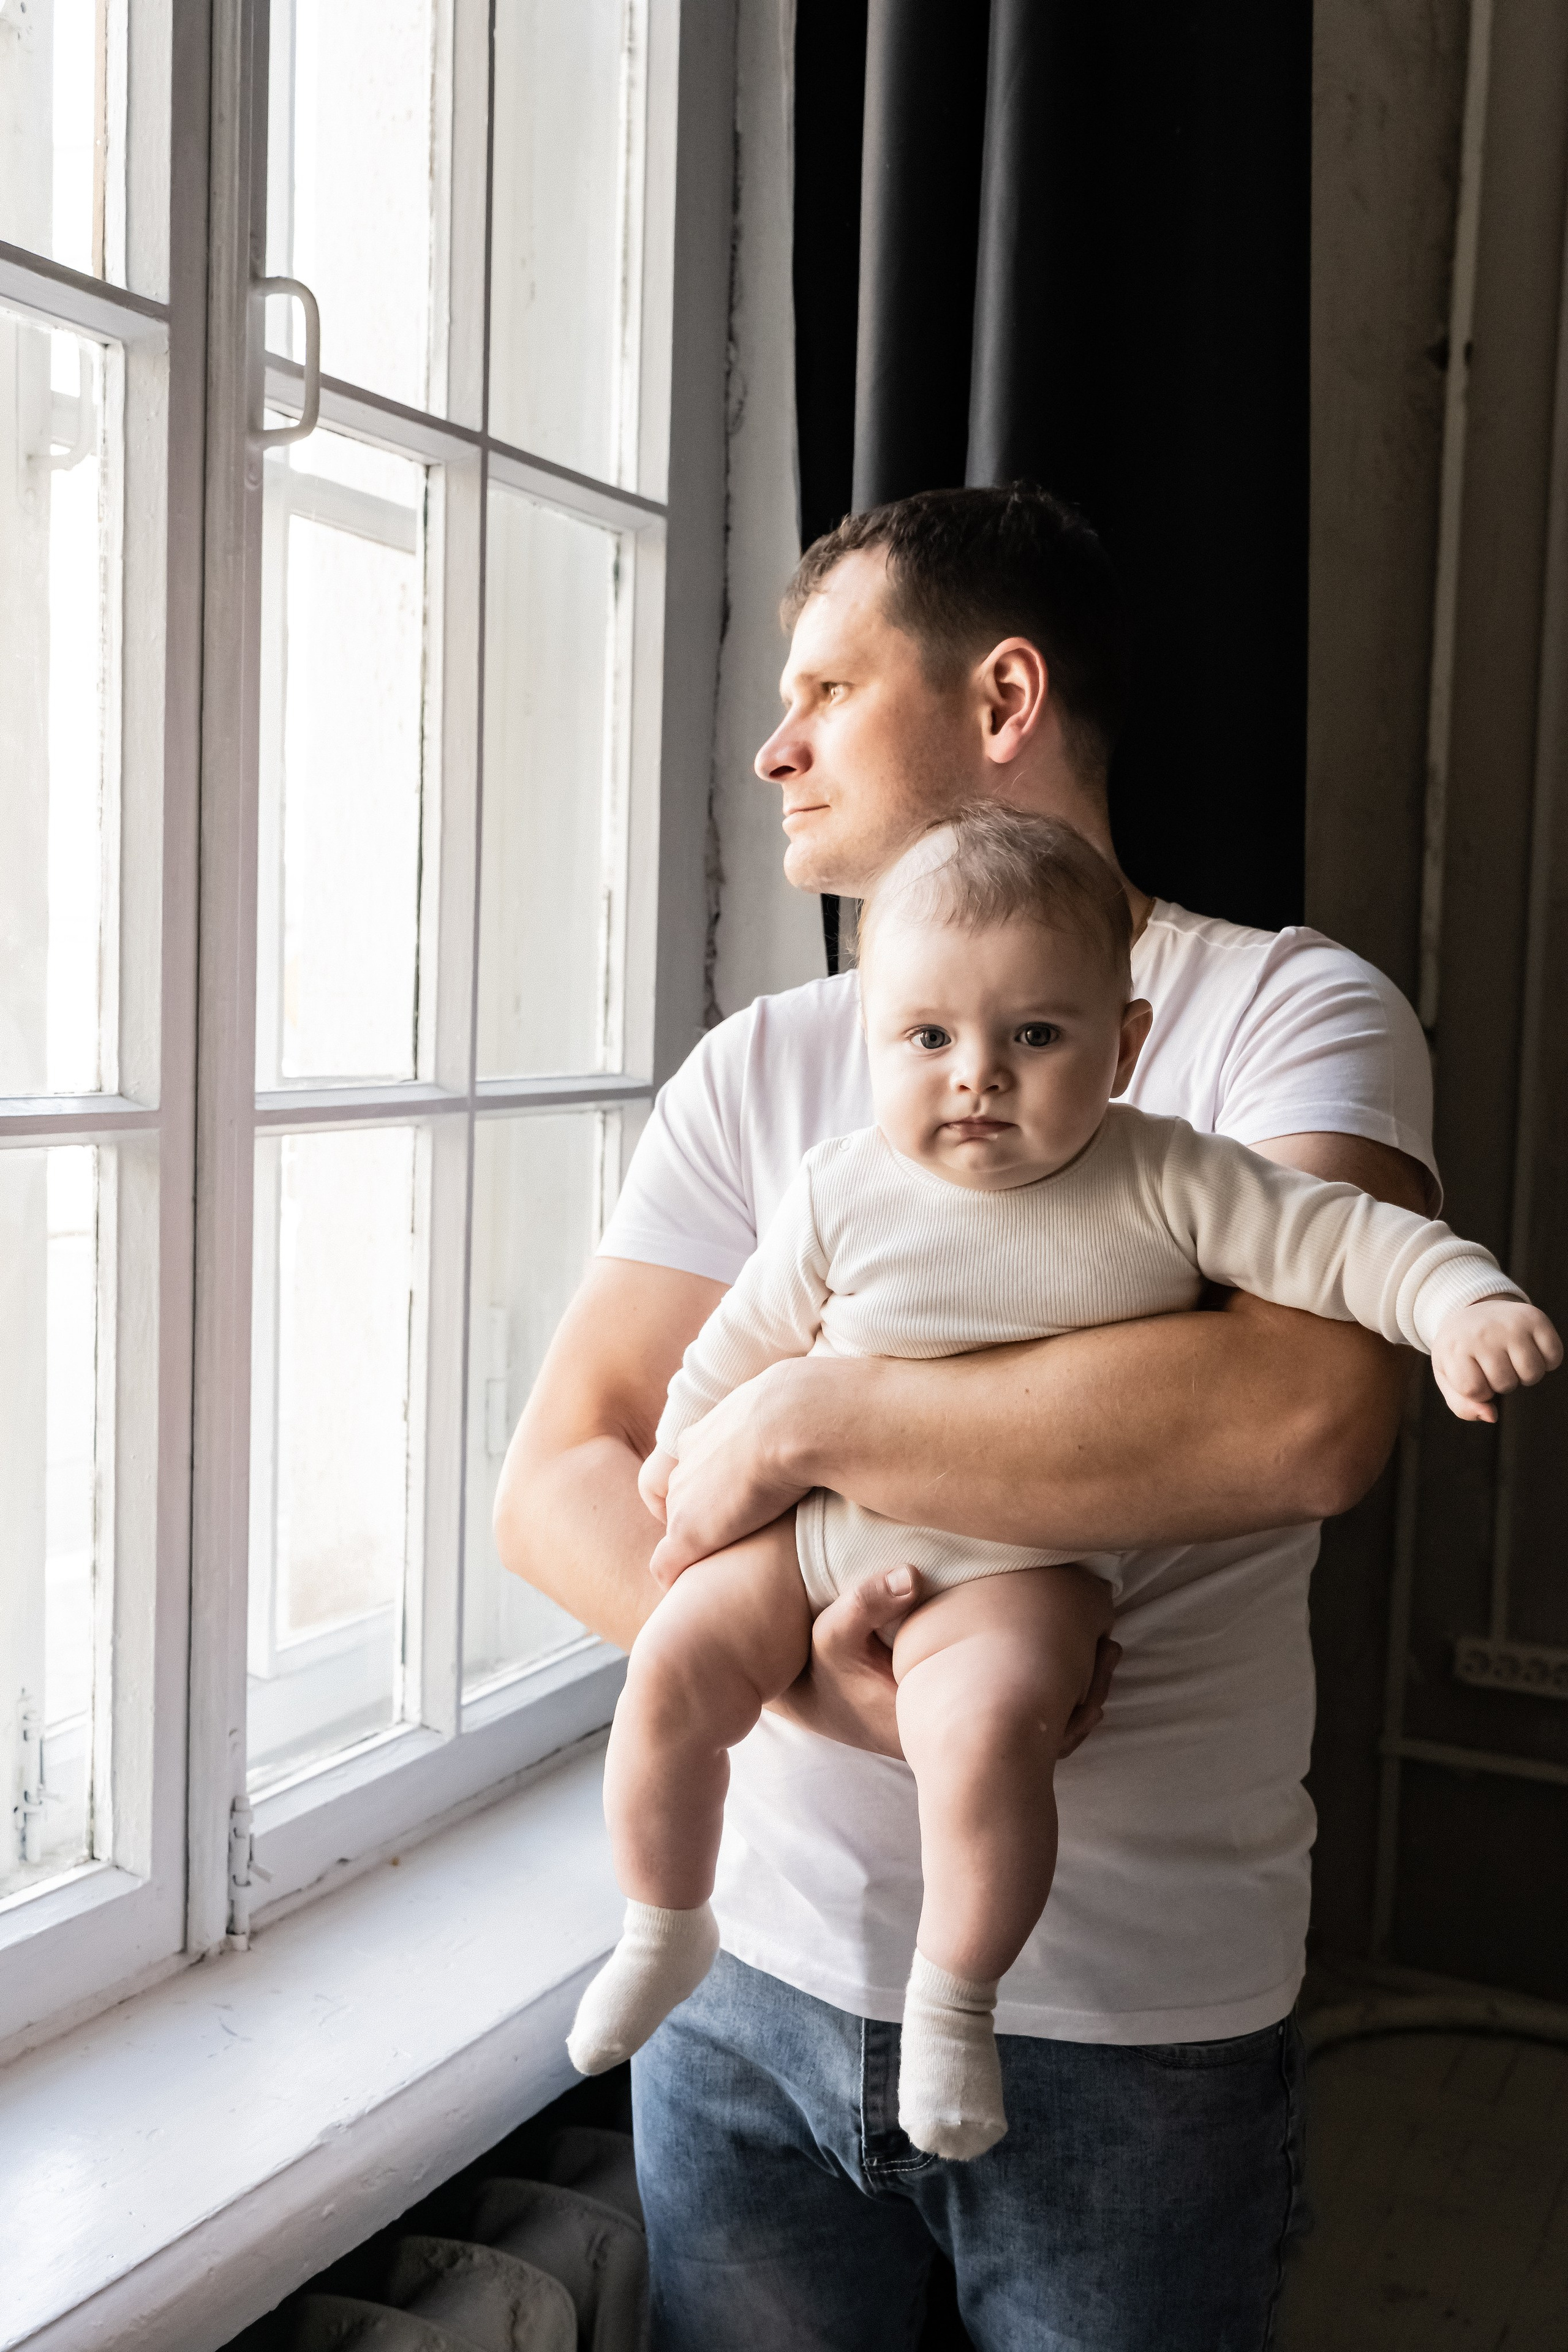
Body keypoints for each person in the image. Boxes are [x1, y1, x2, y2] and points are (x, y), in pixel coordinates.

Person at [495, 485, 1472, 2346]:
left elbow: (1305, 1412)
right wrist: (811, 1686)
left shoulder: (1285, 1015)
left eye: (827, 692)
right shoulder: (770, 1063)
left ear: (1003, 695)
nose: (774, 749)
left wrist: (804, 1422)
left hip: (1132, 2033)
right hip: (745, 2003)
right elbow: (559, 1481)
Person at [562, 805, 1556, 2169]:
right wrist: (682, 1466)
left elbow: (1350, 1245)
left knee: (985, 1735)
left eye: (1032, 1038)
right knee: (671, 1663)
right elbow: (734, 1350)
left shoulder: (1165, 1177)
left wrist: (1459, 1304)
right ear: (875, 1046)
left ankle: (953, 2004)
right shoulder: (839, 1187)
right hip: (813, 1540)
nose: (976, 1078)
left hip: (1015, 1560)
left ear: (1123, 1044)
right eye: (928, 1041)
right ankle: (664, 1925)